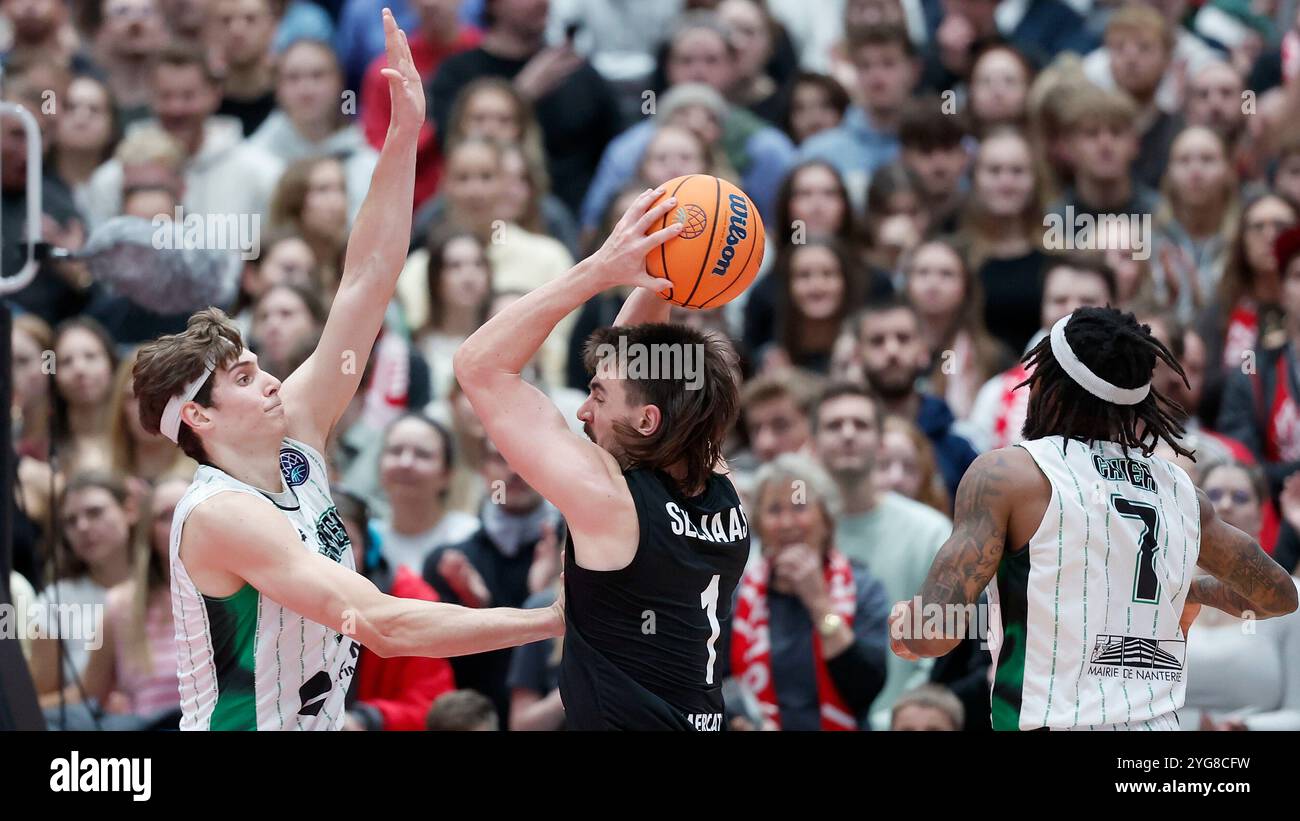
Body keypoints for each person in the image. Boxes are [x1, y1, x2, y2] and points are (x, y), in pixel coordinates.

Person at [129, 12, 563, 731]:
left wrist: (400, 138)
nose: (269, 378)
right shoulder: (220, 514)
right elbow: (381, 622)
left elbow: (366, 276)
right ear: (199, 417)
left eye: (256, 364)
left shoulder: (295, 429)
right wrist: (553, 619)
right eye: (240, 379)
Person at [890, 306, 1299, 730]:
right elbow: (1279, 596)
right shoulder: (1182, 492)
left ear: (1046, 384)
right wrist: (1193, 590)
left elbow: (933, 634)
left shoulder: (1009, 475)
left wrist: (906, 625)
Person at [454, 185, 750, 730]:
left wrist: (599, 268)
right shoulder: (719, 478)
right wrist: (659, 270)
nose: (583, 413)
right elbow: (647, 358)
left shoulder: (610, 501)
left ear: (646, 422)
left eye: (596, 394)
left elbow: (480, 366)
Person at [728, 452, 890, 730]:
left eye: (800, 507)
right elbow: (713, 682)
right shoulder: (738, 596)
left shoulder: (863, 588)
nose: (787, 523)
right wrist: (735, 720)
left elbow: (866, 689)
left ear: (827, 521)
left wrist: (820, 605)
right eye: (775, 510)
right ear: (758, 525)